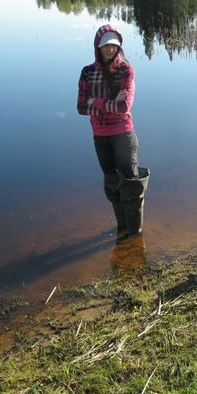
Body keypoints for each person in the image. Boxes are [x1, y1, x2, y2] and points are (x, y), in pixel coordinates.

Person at [77, 24, 149, 238]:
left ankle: (135, 234)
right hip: (101, 137)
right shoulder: (87, 72)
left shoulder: (126, 70)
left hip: (123, 135)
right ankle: (123, 228)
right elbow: (81, 107)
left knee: (131, 184)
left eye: (114, 46)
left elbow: (123, 107)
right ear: (97, 47)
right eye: (106, 46)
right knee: (112, 182)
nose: (110, 50)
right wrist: (107, 103)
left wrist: (96, 102)